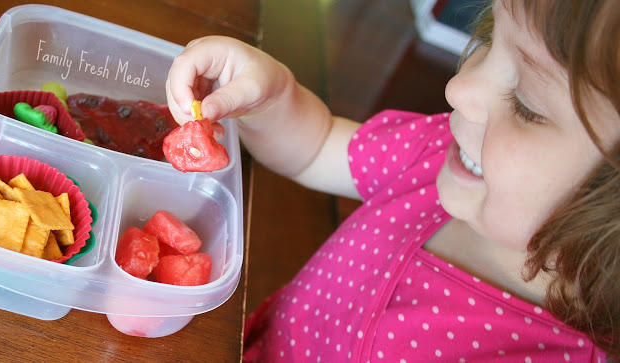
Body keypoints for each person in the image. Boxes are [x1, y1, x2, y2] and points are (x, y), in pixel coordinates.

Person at [166, 0, 620, 360]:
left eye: (526, 104)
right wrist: (272, 98)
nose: (458, 89)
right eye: (486, 38)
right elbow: (319, 147)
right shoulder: (439, 152)